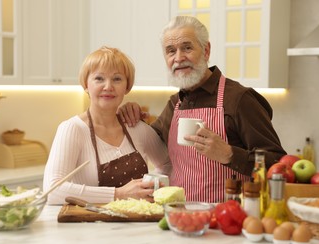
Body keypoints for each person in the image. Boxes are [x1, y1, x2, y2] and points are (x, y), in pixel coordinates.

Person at [118, 16, 286, 203]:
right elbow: (151, 142)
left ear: (206, 51)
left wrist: (230, 154)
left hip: (228, 219)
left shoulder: (239, 99)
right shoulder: (175, 103)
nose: (179, 58)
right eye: (171, 51)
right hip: (179, 217)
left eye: (187, 47)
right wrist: (132, 112)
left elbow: (279, 163)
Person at [43, 46, 172, 205]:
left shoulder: (136, 127)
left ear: (127, 86)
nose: (108, 86)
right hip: (91, 227)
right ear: (86, 85)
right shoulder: (72, 129)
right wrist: (119, 194)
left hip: (140, 224)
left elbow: (168, 164)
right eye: (99, 78)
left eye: (117, 79)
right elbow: (52, 191)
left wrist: (154, 187)